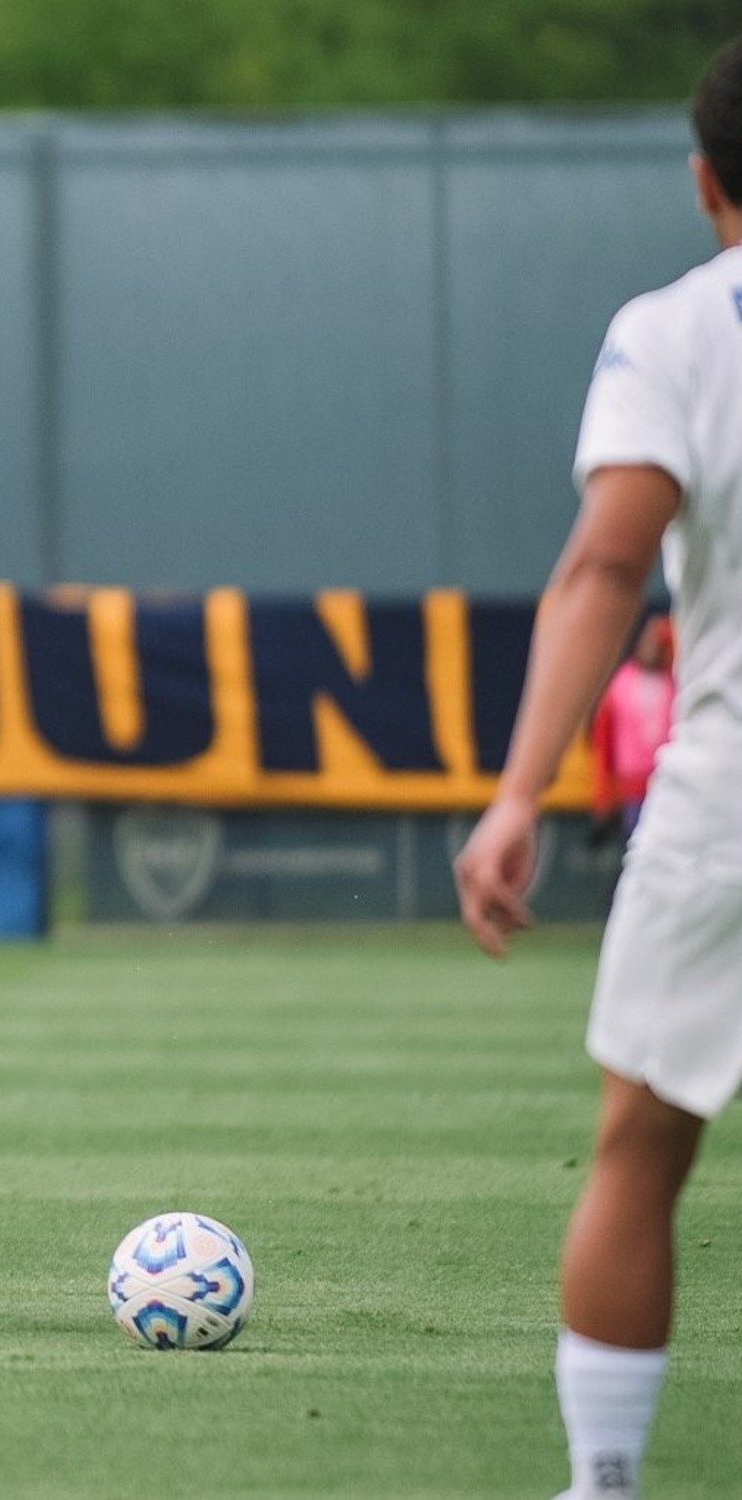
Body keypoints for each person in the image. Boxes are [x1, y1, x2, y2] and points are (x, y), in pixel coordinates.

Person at [454, 36, 742, 1500]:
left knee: (642, 1145)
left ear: (707, 184)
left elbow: (610, 560)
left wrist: (517, 796)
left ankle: (609, 1483)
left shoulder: (681, 329)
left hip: (731, 795)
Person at [587, 610, 675, 847]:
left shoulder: (675, 679)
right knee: (640, 848)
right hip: (634, 788)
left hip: (671, 781)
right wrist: (604, 797)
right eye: (647, 640)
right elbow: (605, 744)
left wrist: (665, 633)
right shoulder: (622, 683)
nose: (652, 647)